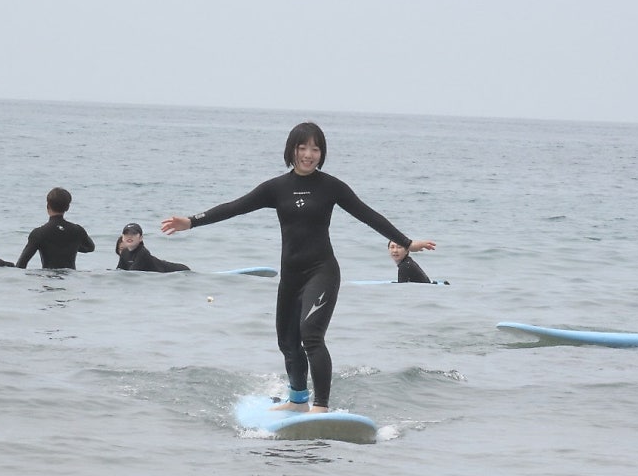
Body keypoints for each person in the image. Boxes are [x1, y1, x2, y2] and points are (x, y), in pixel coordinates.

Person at [162, 122, 435, 413]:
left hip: (323, 271)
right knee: (287, 341)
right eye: (303, 147)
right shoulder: (276, 188)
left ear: (322, 153)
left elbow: (368, 215)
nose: (309, 154)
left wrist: (406, 242)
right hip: (292, 276)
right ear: (291, 150)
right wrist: (192, 221)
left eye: (315, 148)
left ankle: (321, 406)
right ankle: (298, 400)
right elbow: (234, 206)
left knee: (311, 334)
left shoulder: (332, 187)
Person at [16, 187, 95, 269]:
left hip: (48, 279)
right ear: (67, 207)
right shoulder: (78, 230)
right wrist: (71, 246)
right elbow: (90, 248)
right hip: (71, 279)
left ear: (47, 206)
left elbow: (21, 264)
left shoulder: (39, 233)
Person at [116, 223, 190, 272]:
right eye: (126, 234)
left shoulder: (143, 252)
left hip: (177, 271)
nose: (129, 236)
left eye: (133, 234)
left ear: (141, 238)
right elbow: (119, 271)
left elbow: (132, 275)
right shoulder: (124, 253)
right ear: (122, 237)